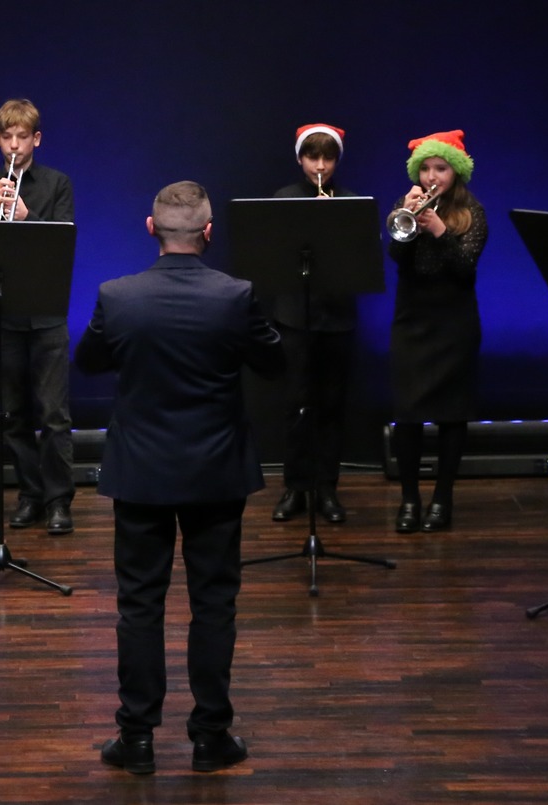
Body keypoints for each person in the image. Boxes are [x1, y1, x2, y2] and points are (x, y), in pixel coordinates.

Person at [75, 182, 283, 776]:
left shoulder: (118, 296)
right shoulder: (235, 296)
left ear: (151, 229)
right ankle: (210, 737)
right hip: (216, 471)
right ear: (208, 232)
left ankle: (136, 738)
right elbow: (274, 363)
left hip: (141, 471)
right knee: (213, 604)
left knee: (139, 605)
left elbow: (88, 362)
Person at [0, 98, 77, 534]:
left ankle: (58, 501)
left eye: (23, 137)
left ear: (37, 139)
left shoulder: (57, 184)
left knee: (53, 415)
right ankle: (30, 495)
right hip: (2, 316)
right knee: (11, 415)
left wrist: (28, 216)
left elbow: (62, 246)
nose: (15, 145)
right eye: (7, 137)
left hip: (46, 315)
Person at [387, 130, 487, 535]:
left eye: (440, 168)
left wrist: (441, 231)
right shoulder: (406, 203)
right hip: (412, 321)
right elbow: (396, 254)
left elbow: (465, 269)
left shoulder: (472, 212)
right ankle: (409, 499)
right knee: (407, 415)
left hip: (454, 324)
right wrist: (407, 216)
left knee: (452, 415)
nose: (431, 176)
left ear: (455, 172)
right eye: (425, 168)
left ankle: (442, 499)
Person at [267, 123, 361, 525]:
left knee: (332, 406)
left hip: (336, 317)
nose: (320, 166)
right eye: (312, 157)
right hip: (294, 317)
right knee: (296, 405)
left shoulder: (351, 202)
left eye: (327, 157)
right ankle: (295, 487)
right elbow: (271, 255)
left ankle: (327, 488)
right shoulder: (284, 199)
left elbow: (360, 261)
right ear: (300, 158)